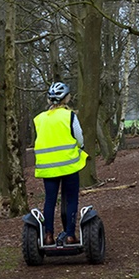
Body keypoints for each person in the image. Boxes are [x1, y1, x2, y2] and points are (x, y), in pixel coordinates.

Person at [33, 81, 88, 245]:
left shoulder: (39, 119)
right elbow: (79, 138)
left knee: (49, 200)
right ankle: (70, 235)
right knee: (71, 199)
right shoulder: (69, 116)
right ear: (66, 98)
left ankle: (48, 236)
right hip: (69, 165)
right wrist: (81, 147)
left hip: (48, 167)